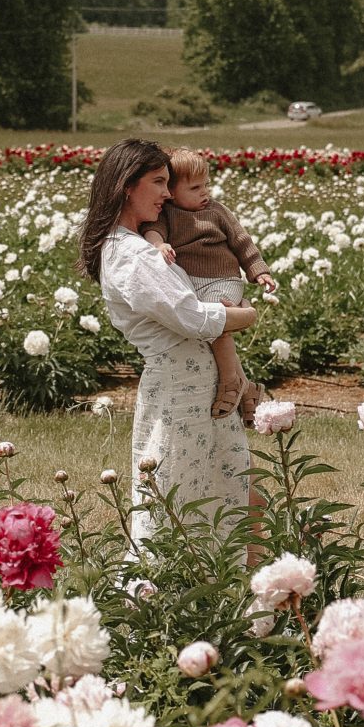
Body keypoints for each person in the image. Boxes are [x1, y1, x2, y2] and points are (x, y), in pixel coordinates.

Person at [77, 139, 258, 554]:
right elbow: (192, 319)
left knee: (223, 496)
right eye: (159, 182)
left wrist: (237, 376)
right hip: (181, 394)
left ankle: (224, 604)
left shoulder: (139, 248)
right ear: (126, 186)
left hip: (197, 389)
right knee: (176, 502)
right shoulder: (134, 256)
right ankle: (161, 602)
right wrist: (248, 316)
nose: (167, 193)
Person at [141, 146, 277, 422]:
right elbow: (152, 231)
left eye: (206, 185)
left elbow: (242, 242)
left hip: (223, 280)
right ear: (172, 191)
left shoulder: (217, 211)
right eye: (194, 188)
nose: (204, 193)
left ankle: (230, 381)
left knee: (215, 319)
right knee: (208, 324)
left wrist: (258, 271)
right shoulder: (167, 214)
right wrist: (159, 244)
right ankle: (248, 387)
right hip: (192, 285)